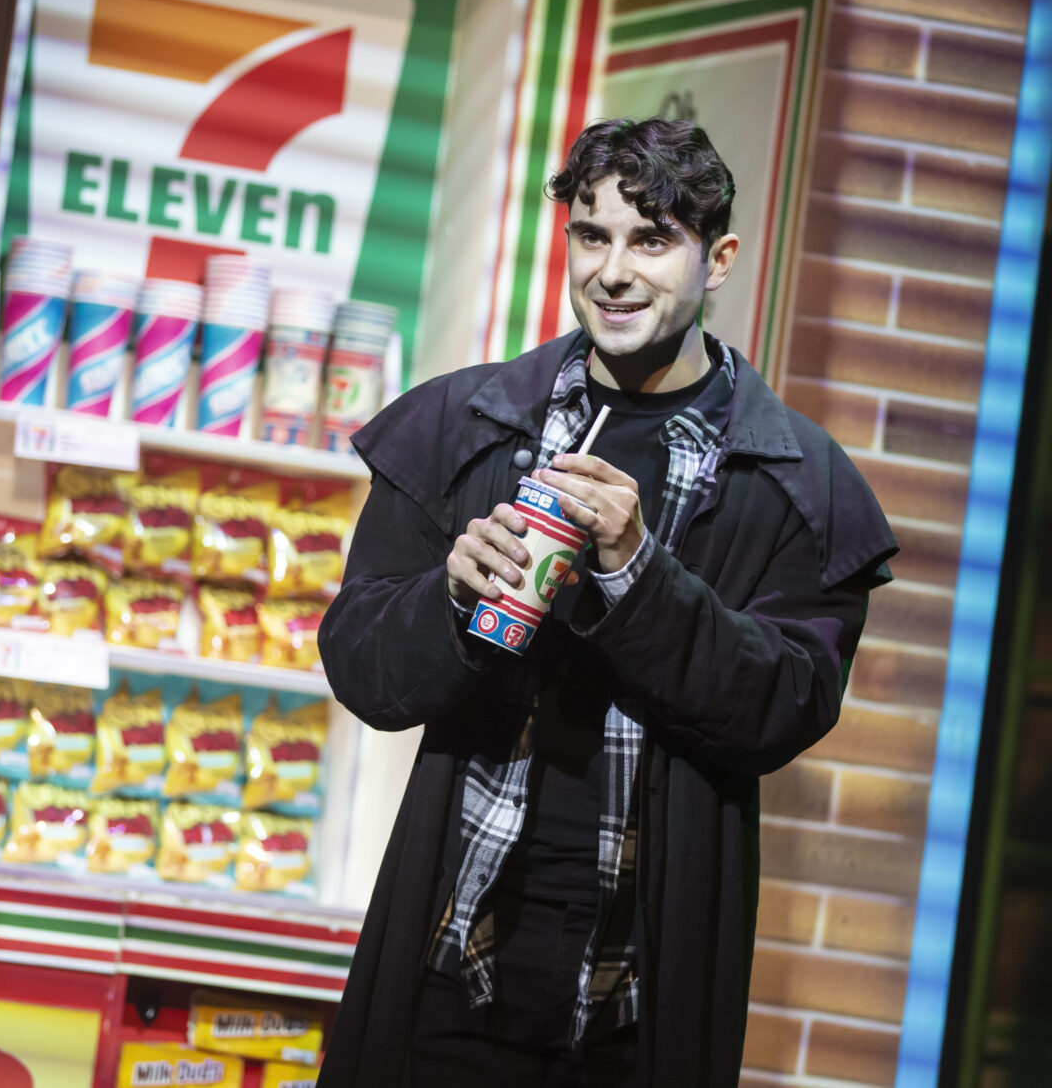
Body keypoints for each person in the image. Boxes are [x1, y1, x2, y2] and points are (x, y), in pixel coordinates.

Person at [315, 118, 898, 1086]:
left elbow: (783, 706)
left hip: (637, 1003)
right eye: (593, 235)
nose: (613, 271)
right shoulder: (466, 424)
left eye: (651, 238)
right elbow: (360, 665)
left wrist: (636, 568)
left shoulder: (794, 480)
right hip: (447, 975)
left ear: (717, 260)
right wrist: (449, 595)